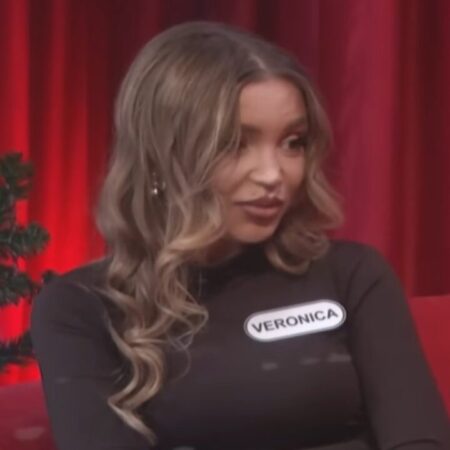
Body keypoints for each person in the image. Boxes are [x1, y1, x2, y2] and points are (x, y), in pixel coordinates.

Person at [30, 21, 449, 450]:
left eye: (292, 142)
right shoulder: (81, 309)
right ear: (160, 159)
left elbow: (420, 439)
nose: (273, 174)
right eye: (235, 144)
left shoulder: (353, 274)